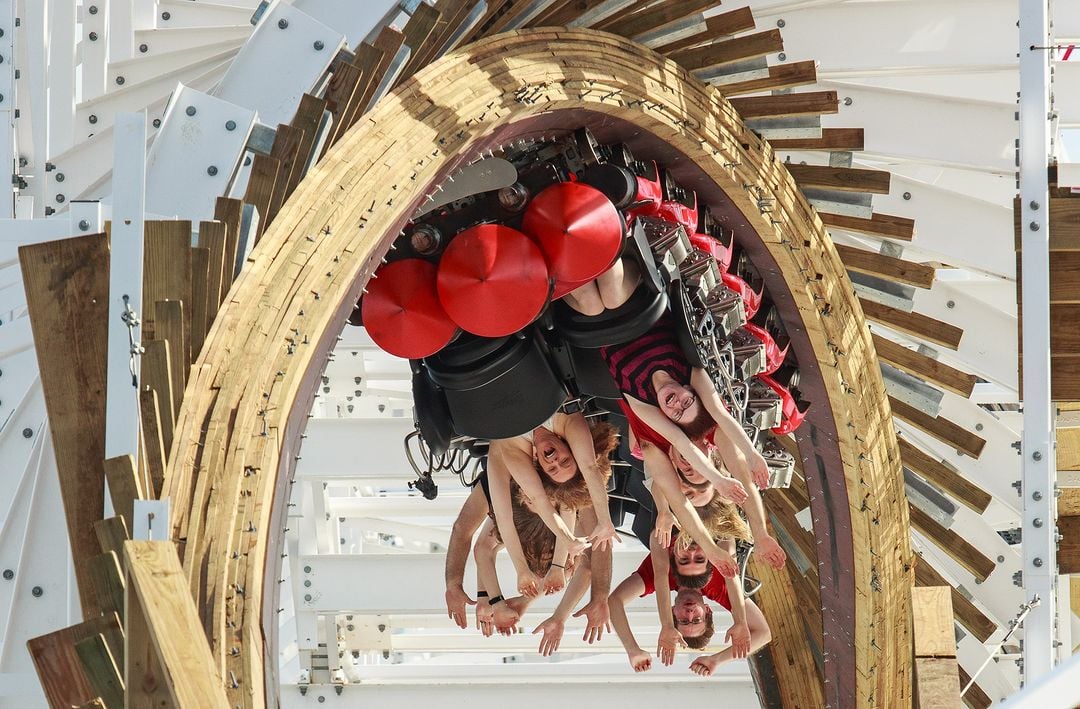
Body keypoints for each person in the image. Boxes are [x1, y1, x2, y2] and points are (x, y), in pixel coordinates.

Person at [488, 415, 619, 597]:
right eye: (564, 461)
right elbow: (588, 470)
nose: (555, 461)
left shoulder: (515, 452)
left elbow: (531, 504)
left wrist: (522, 570)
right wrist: (604, 519)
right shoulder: (563, 422)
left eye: (552, 469)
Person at [608, 533, 771, 674]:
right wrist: (716, 660)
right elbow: (763, 634)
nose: (690, 613)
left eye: (683, 620)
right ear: (707, 610)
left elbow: (615, 601)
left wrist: (632, 649)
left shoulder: (654, 580)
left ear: (672, 612)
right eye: (697, 619)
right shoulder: (722, 591)